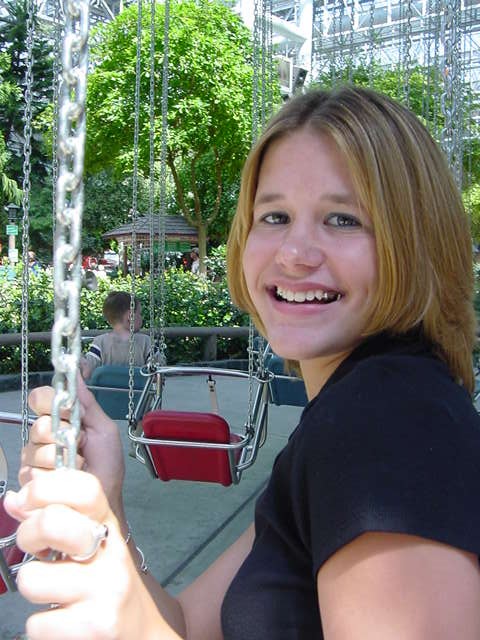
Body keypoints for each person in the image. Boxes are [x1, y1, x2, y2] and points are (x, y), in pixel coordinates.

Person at [5, 85, 480, 639]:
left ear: (415, 241)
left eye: (343, 219)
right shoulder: (347, 419)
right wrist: (107, 515)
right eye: (274, 216)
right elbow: (185, 626)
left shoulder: (388, 424)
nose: (293, 253)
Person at [80, 290, 151, 380]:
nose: (141, 317)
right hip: (139, 389)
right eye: (139, 313)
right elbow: (158, 370)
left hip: (106, 389)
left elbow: (87, 373)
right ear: (130, 316)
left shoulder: (100, 342)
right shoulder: (146, 341)